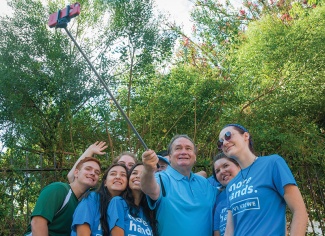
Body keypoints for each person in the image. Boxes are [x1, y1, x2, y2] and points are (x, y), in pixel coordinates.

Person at [217, 124, 308, 236]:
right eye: (220, 143)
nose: (224, 143)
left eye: (228, 135)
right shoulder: (231, 185)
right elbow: (229, 230)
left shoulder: (272, 163)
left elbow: (299, 210)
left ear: (246, 136)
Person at [141, 134, 219, 236]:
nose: (183, 152)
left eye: (188, 148)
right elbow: (149, 188)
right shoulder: (161, 178)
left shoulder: (204, 183)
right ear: (169, 157)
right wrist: (148, 169)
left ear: (195, 157)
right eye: (178, 148)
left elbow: (226, 192)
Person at [25, 156, 101, 236]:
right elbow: (38, 222)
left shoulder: (87, 202)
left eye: (97, 172)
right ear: (76, 173)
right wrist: (90, 149)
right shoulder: (58, 189)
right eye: (88, 169)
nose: (93, 173)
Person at [71, 163, 128, 236]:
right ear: (105, 183)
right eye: (113, 174)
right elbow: (82, 231)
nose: (118, 177)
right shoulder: (92, 198)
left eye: (123, 175)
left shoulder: (127, 207)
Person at [108, 163, 157, 236]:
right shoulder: (118, 202)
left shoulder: (149, 212)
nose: (138, 176)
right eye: (134, 173)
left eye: (143, 174)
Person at [212, 153, 240, 236]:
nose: (222, 172)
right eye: (217, 171)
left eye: (225, 166)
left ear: (239, 165)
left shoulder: (254, 190)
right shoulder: (219, 202)